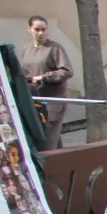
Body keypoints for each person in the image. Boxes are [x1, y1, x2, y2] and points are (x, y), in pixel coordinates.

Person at [22, 15, 74, 149]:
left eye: (43, 29)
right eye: (37, 29)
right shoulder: (26, 49)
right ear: (29, 29)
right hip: (35, 98)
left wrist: (44, 77)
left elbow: (67, 71)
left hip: (53, 99)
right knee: (52, 139)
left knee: (47, 136)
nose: (40, 33)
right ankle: (63, 164)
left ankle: (48, 167)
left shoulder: (54, 48)